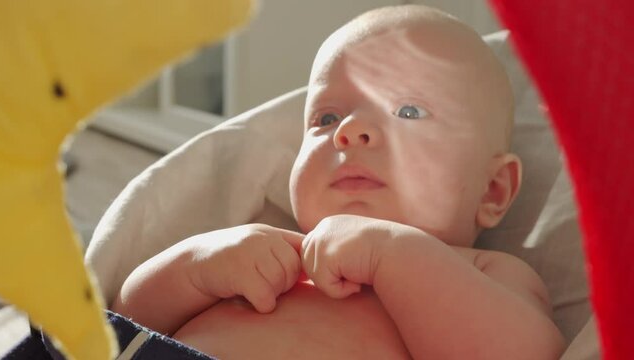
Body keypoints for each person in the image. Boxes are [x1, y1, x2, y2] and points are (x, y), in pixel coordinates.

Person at [111, 5, 565, 359]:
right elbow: (122, 321)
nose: (349, 130)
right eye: (327, 117)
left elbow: (526, 355)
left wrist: (395, 255)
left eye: (409, 111)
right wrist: (196, 266)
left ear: (493, 190)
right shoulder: (270, 252)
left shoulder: (485, 271)